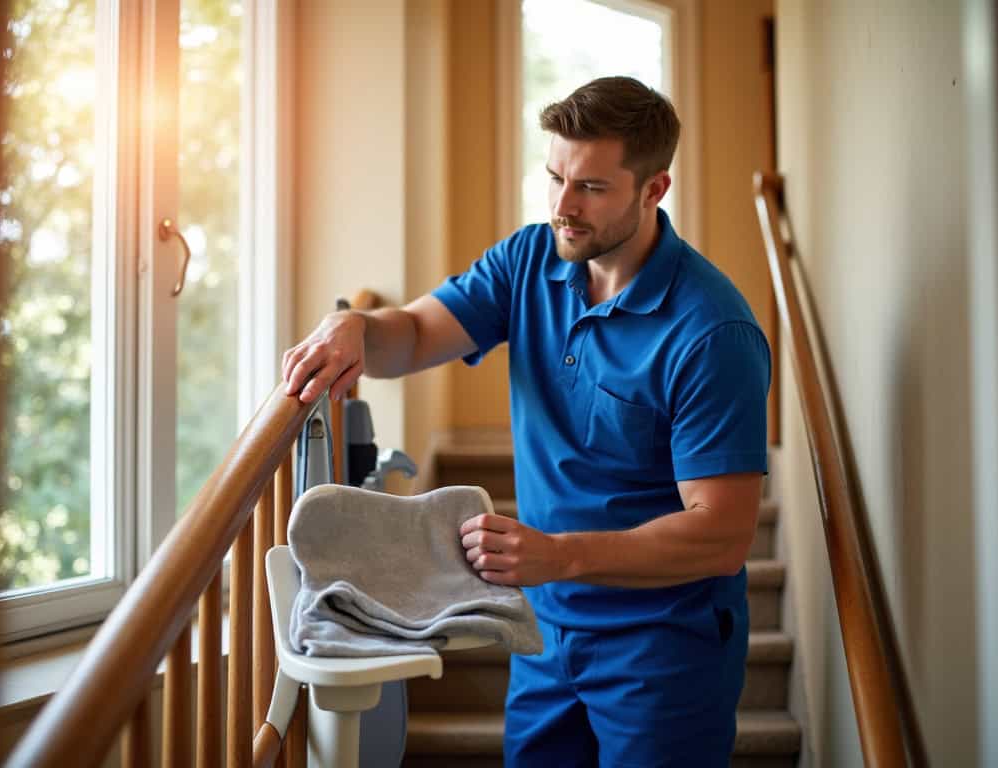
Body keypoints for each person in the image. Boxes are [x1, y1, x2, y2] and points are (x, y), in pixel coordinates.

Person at [281, 75, 770, 768]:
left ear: (653, 190)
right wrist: (355, 325)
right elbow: (414, 335)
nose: (563, 206)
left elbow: (721, 534)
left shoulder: (712, 331)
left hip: (663, 643)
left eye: (591, 187)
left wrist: (559, 554)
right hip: (544, 630)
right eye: (555, 178)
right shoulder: (529, 258)